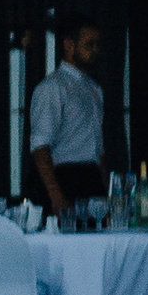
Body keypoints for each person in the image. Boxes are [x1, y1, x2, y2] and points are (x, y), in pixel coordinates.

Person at [28, 22, 107, 216]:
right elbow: (40, 147)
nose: (95, 50)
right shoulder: (52, 88)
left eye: (97, 44)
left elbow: (98, 148)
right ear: (69, 45)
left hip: (92, 178)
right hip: (64, 178)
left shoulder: (94, 89)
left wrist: (108, 192)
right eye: (89, 44)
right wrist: (56, 195)